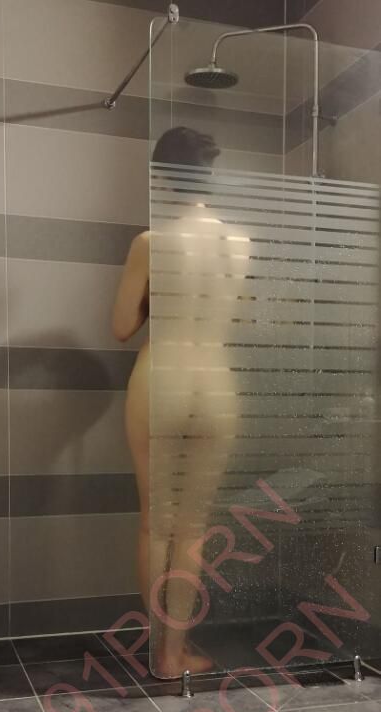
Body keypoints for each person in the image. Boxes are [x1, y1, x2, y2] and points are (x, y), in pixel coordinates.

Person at [112, 126, 243, 677]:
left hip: (161, 378)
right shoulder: (240, 245)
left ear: (162, 177)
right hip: (215, 382)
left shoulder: (151, 244)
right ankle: (176, 653)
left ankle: (158, 655)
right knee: (193, 528)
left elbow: (121, 327)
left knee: (156, 525)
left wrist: (153, 298)